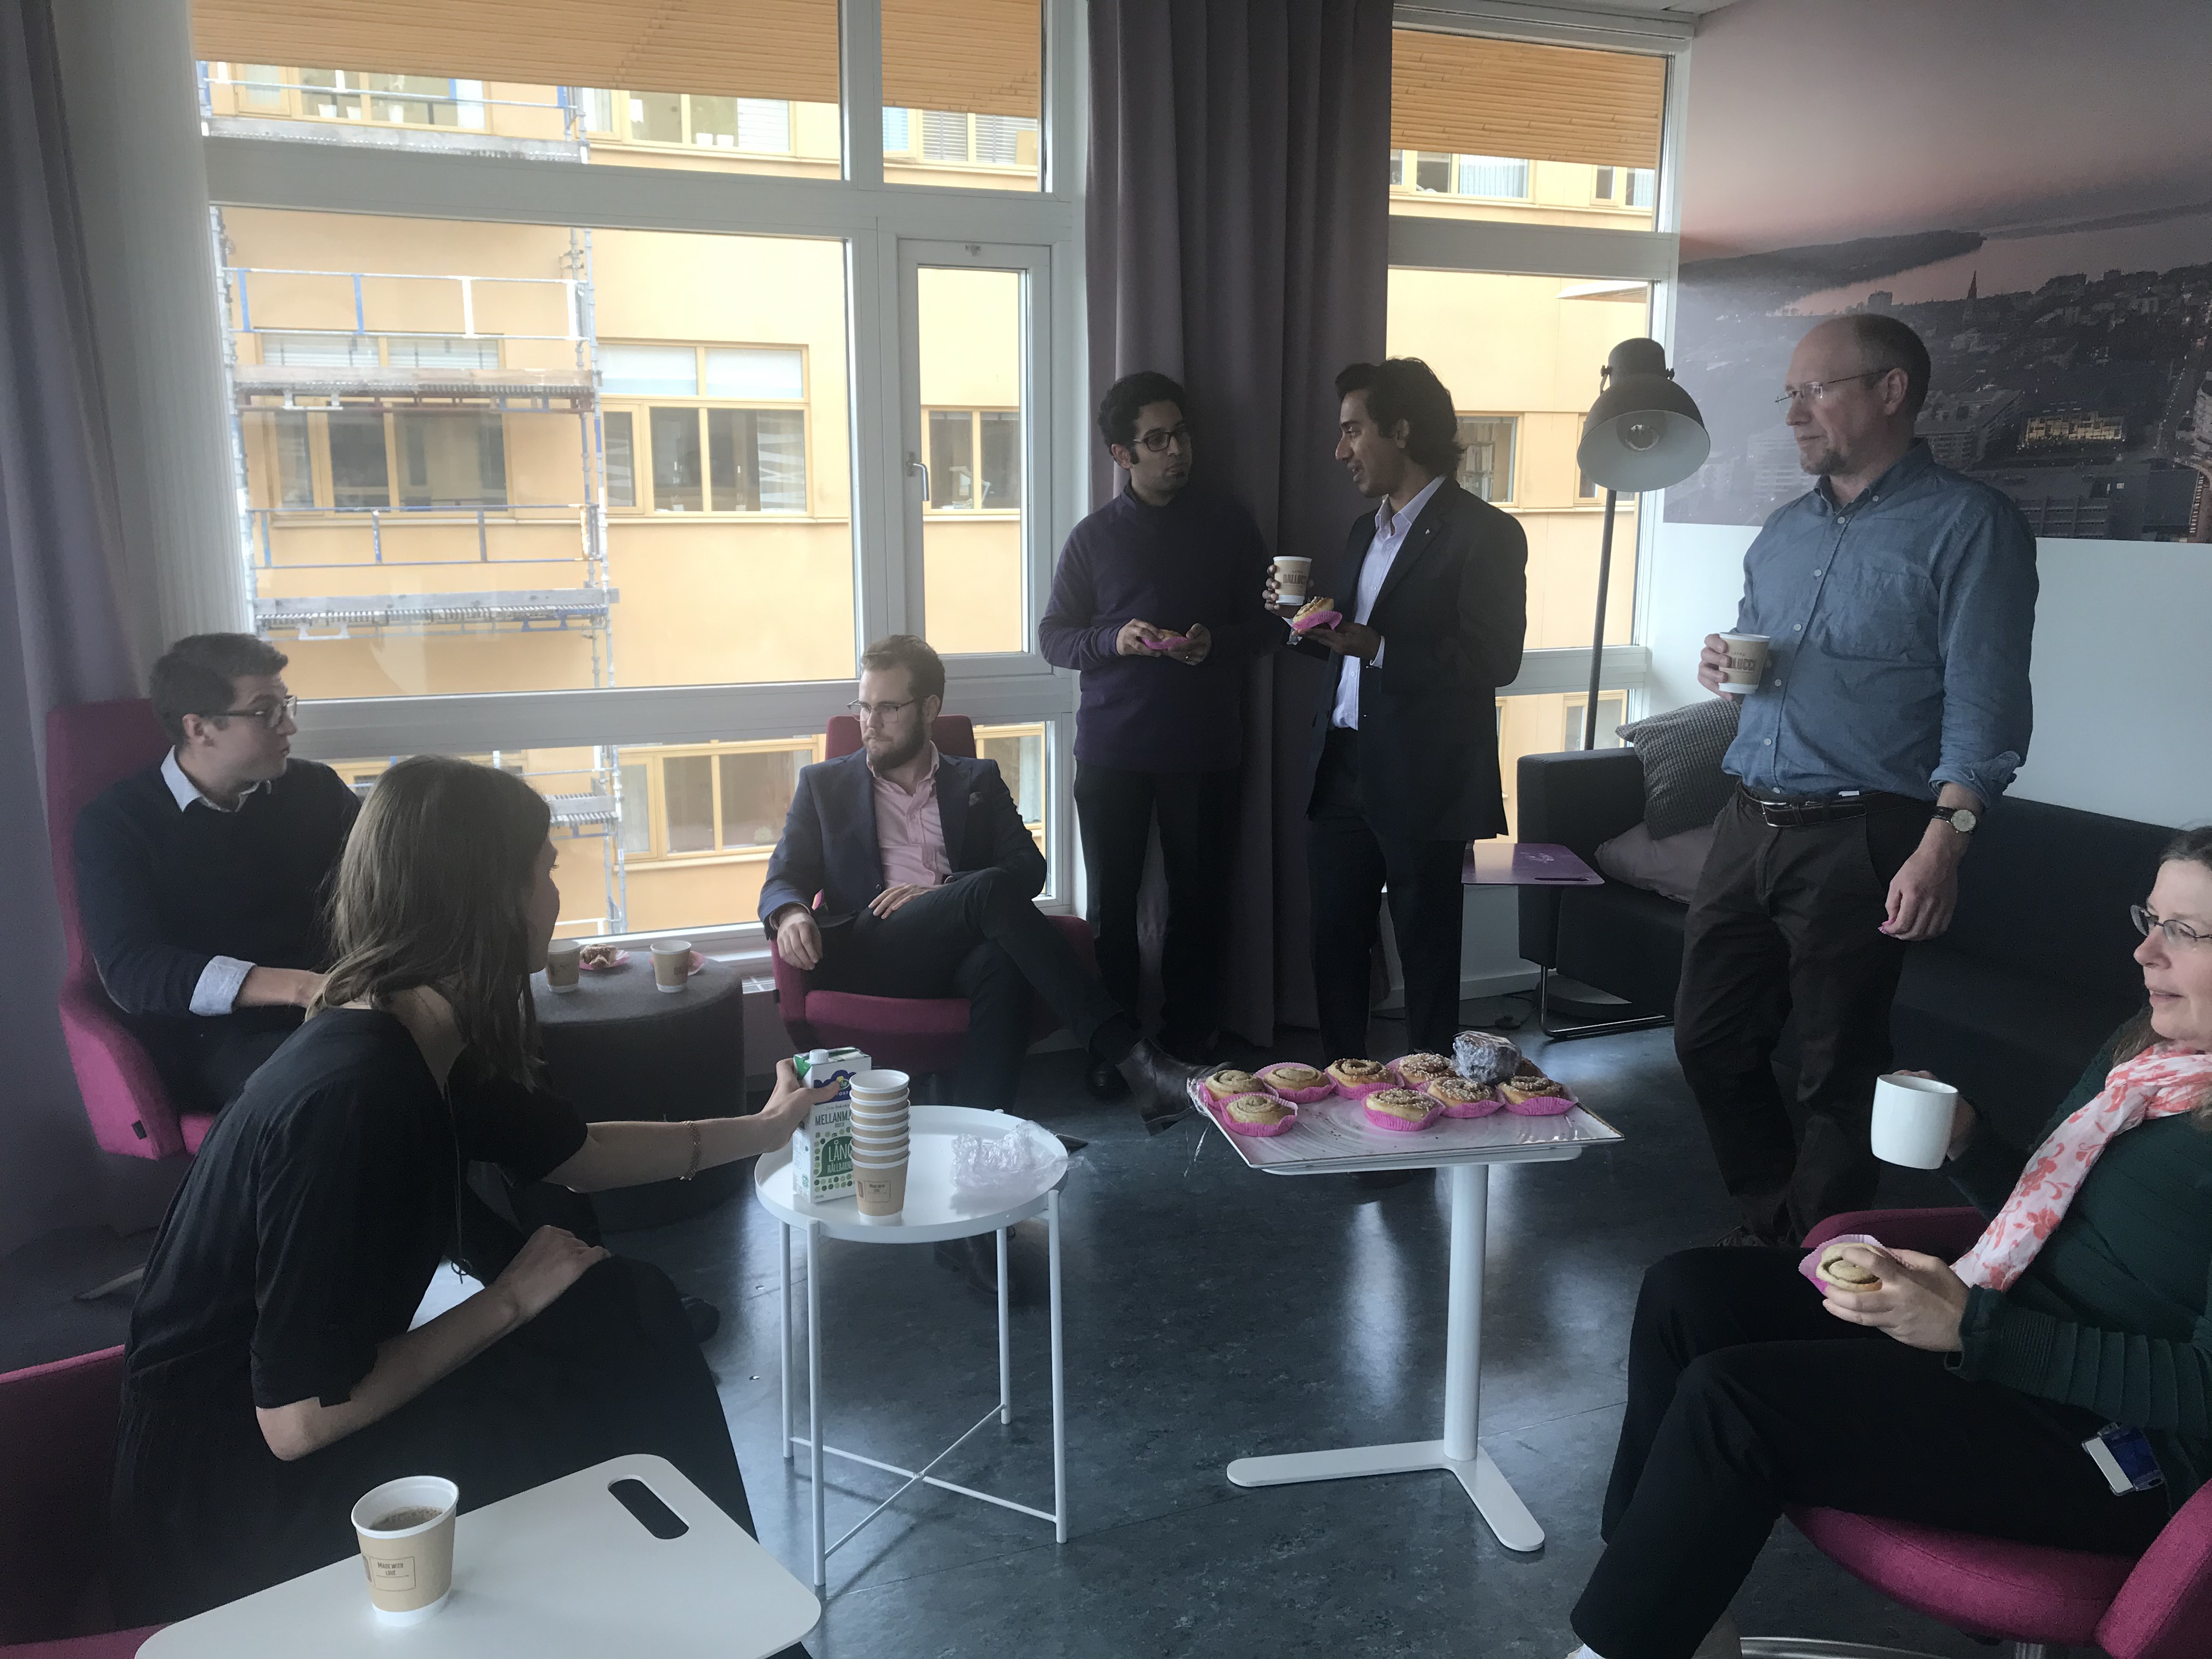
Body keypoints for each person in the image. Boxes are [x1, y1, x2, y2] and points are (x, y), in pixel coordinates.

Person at [111, 754, 833, 1635]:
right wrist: (511, 1298)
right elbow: (298, 1420)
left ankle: (723, 1613)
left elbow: (581, 1154)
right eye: (546, 871)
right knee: (613, 1342)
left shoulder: (415, 1035)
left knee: (624, 1308)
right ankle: (724, 1621)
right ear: (492, 895)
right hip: (229, 1508)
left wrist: (765, 1129)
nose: (556, 897)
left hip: (274, 1452)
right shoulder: (355, 1094)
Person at [1565, 827, 2212, 1659]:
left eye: (2186, 931)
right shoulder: (2149, 1051)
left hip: (2122, 1441)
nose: (2145, 951)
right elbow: (2052, 1213)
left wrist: (1972, 1329)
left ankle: (1631, 1639)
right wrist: (1970, 1146)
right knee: (1687, 1294)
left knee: (1738, 1403)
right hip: (2001, 1324)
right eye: (2150, 919)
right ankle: (1662, 1607)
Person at [1677, 315, 2037, 1247]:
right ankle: (1776, 1224)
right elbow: (1763, 648)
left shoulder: (1969, 525)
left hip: (1862, 833)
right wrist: (1724, 661)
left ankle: (1812, 1260)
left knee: (1836, 1070)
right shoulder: (1782, 531)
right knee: (1708, 1040)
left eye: (1815, 390)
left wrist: (1944, 841)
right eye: (1790, 393)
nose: (1793, 413)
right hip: (1748, 817)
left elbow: (1987, 703)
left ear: (1891, 391)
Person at [760, 634, 1200, 1131]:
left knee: (1000, 961)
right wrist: (791, 913)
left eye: (888, 708)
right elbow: (783, 878)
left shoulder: (977, 779)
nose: (870, 723)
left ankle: (979, 1135)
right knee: (987, 891)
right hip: (875, 947)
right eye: (863, 706)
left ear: (929, 708)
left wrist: (949, 892)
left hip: (961, 952)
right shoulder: (824, 785)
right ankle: (1136, 1061)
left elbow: (1029, 868)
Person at [1265, 358, 1527, 1062]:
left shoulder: (1486, 532)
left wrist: (1379, 646)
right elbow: (1349, 648)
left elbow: (1494, 659)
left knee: (1427, 952)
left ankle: (1432, 1094)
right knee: (1334, 946)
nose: (1340, 450)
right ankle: (1343, 1088)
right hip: (1339, 766)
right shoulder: (1363, 532)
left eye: (1353, 431)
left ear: (1402, 431)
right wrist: (1301, 625)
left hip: (1423, 775)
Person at [1040, 371, 1278, 1076]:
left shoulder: (1229, 525)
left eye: (1181, 434)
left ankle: (1189, 1046)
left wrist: (1215, 645)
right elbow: (1054, 637)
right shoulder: (1093, 538)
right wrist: (1113, 640)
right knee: (1112, 911)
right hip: (1112, 749)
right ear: (1122, 455)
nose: (1178, 450)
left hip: (1204, 748)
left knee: (1199, 907)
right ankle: (1117, 1053)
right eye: (1157, 440)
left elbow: (1271, 625)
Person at [74, 633, 358, 1116]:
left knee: (465, 1057)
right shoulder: (117, 824)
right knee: (347, 1086)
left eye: (287, 705)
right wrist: (301, 987)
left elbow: (389, 885)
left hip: (341, 1005)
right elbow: (132, 971)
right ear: (200, 728)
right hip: (218, 1037)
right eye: (265, 711)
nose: (289, 725)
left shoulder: (318, 790)